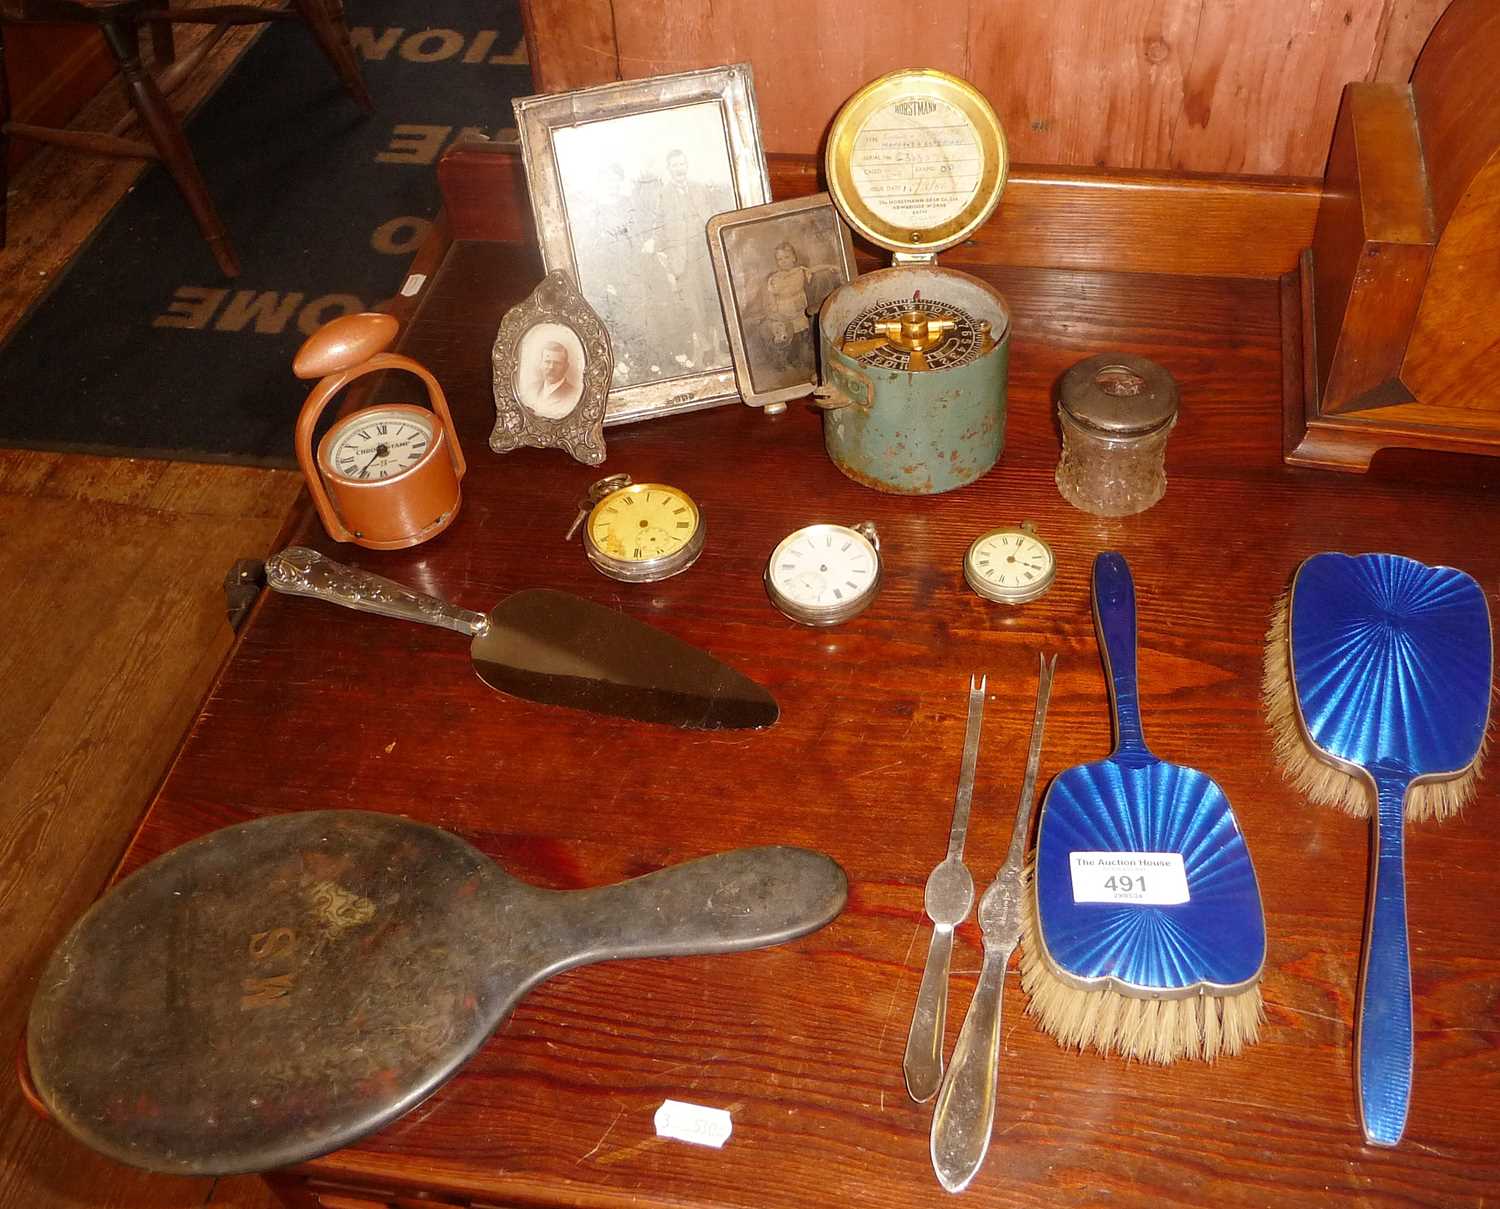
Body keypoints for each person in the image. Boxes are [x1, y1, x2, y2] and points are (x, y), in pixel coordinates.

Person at [645, 148, 735, 369]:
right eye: (675, 165)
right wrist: (658, 250)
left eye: (682, 164)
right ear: (669, 169)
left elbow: (715, 215)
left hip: (707, 252)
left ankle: (724, 340)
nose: (679, 169)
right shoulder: (663, 194)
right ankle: (705, 347)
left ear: (687, 166)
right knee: (695, 305)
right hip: (683, 258)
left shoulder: (700, 188)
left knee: (714, 296)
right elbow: (660, 225)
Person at [523, 338, 582, 419]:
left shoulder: (574, 396)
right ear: (541, 363)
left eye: (557, 363)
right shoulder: (530, 390)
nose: (551, 367)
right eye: (547, 362)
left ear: (566, 367)